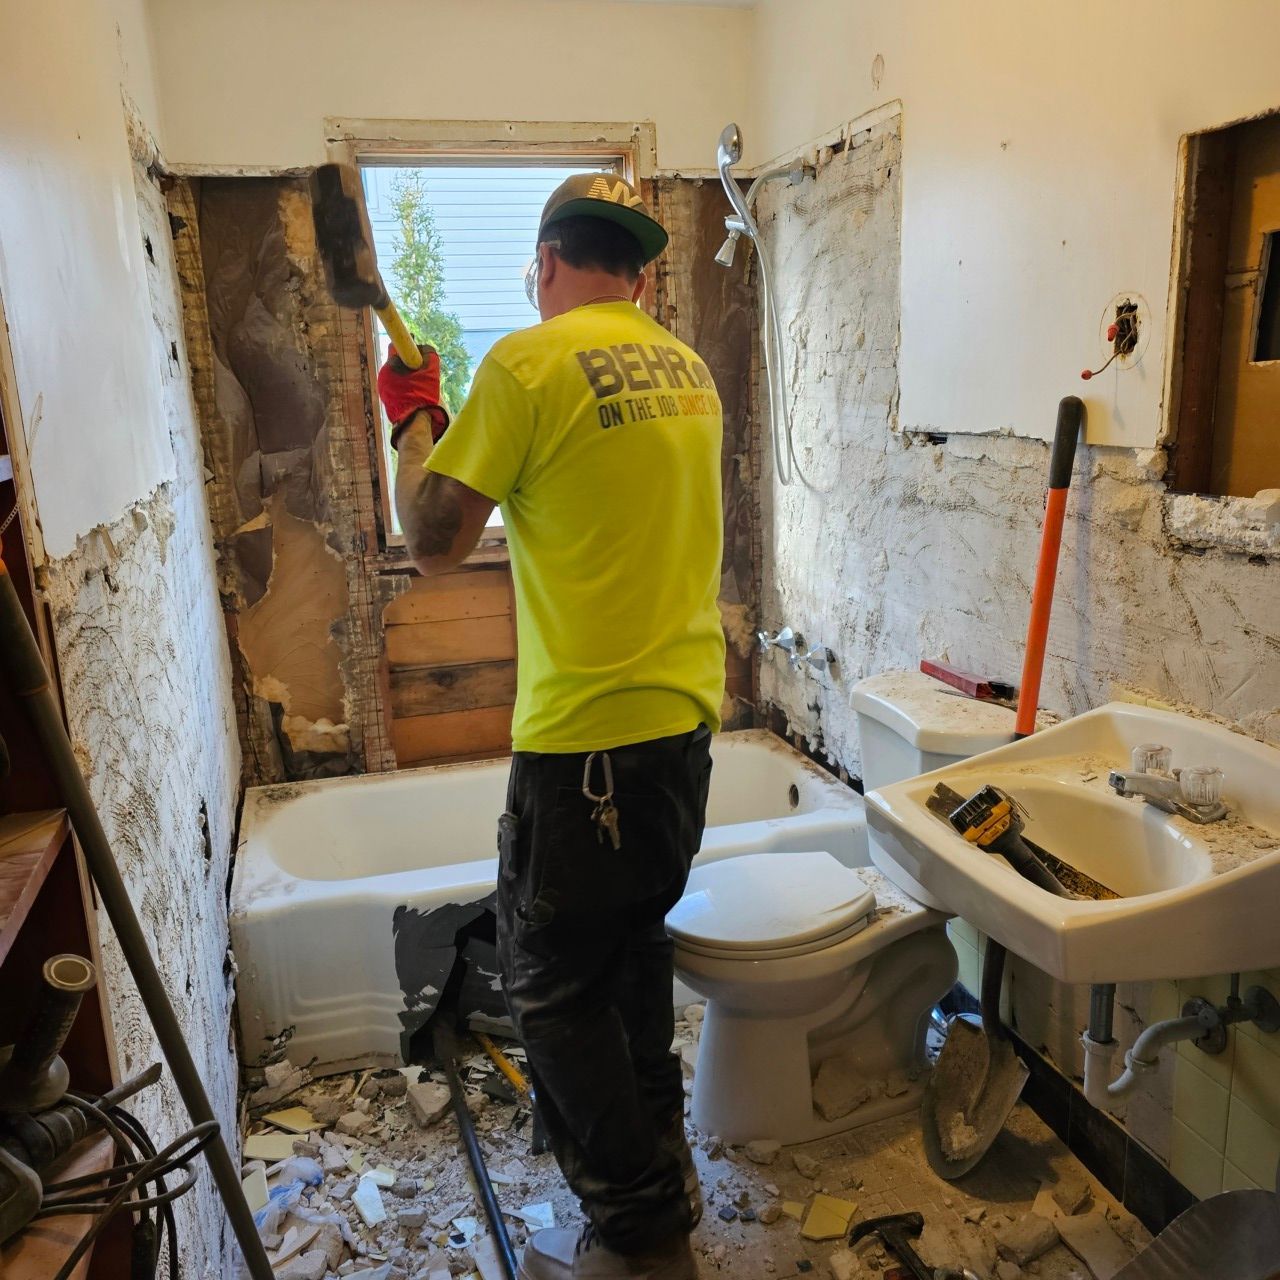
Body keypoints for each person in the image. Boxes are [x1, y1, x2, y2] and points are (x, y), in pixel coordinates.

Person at [376, 172, 724, 1279]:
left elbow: (432, 533)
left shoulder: (525, 363)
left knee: (552, 982)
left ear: (541, 265)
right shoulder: (689, 369)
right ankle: (659, 1168)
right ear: (639, 274)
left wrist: (412, 413)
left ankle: (639, 1225)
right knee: (631, 957)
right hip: (679, 735)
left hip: (584, 749)